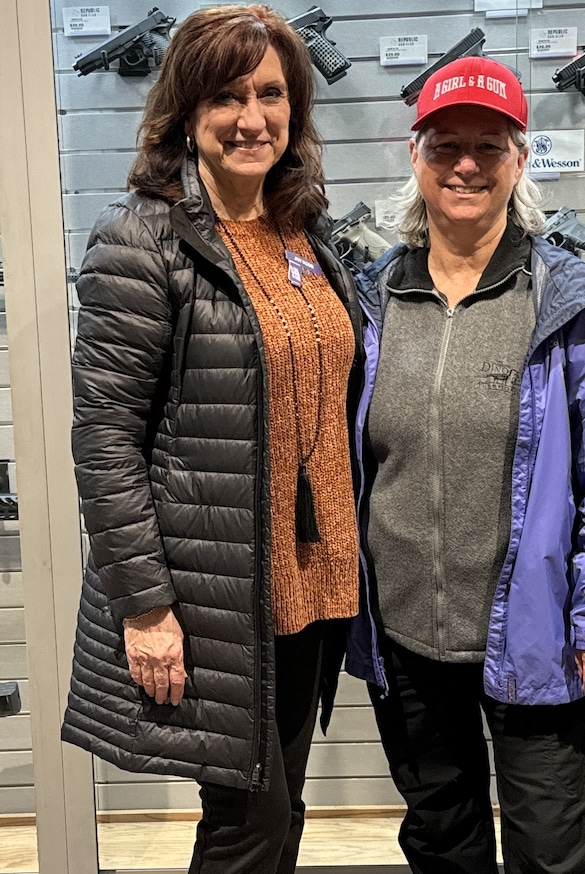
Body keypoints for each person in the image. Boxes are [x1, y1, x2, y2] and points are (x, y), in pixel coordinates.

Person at [60, 7, 363, 873]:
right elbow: (106, 438)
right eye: (227, 95)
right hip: (213, 592)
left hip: (307, 577)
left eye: (271, 94)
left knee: (280, 815)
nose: (252, 117)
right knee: (247, 826)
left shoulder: (302, 234)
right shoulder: (142, 242)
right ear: (185, 112)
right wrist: (148, 608)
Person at [345, 55, 585, 874]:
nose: (466, 166)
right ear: (415, 157)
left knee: (550, 849)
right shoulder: (372, 301)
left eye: (489, 146)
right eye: (446, 145)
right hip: (405, 633)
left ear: (520, 161)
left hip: (536, 635)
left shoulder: (575, 304)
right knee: (441, 836)